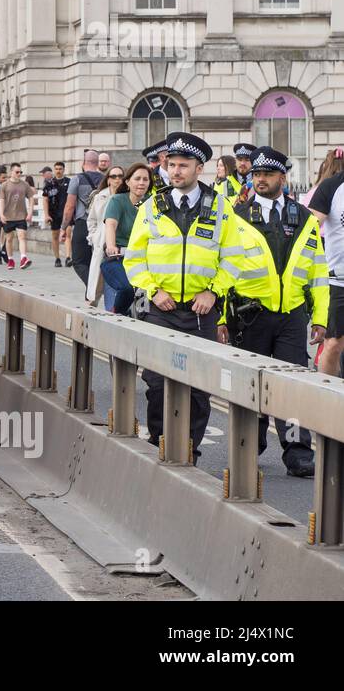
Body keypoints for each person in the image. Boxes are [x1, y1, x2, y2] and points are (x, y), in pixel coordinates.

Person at [123, 132, 243, 464]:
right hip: (161, 309)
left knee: (199, 391)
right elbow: (134, 259)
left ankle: (189, 450)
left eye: (183, 165)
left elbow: (233, 258)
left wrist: (213, 292)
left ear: (199, 168)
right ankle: (159, 444)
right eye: (171, 164)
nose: (176, 171)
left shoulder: (220, 207)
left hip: (200, 311)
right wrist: (153, 291)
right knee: (158, 385)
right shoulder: (152, 206)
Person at [224, 146, 323, 477]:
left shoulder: (304, 217)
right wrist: (223, 319)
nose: (260, 179)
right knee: (252, 385)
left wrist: (321, 318)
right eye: (256, 175)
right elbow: (222, 269)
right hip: (250, 315)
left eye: (267, 174)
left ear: (283, 177)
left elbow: (317, 272)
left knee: (292, 386)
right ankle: (250, 445)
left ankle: (297, 450)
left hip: (293, 315)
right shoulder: (237, 217)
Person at [308, 151, 344, 379]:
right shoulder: (331, 187)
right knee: (332, 345)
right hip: (339, 280)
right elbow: (309, 230)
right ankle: (328, 396)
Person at [100, 163, 151, 313]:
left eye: (145, 179)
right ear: (128, 182)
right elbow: (110, 225)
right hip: (118, 258)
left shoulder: (152, 203)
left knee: (147, 299)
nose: (141, 182)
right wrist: (111, 246)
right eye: (137, 179)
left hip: (144, 259)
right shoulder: (117, 200)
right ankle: (117, 314)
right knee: (126, 289)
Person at [83, 165, 124, 307]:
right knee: (96, 284)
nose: (117, 179)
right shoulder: (99, 197)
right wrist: (94, 237)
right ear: (108, 180)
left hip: (119, 246)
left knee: (114, 283)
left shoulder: (126, 197)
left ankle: (112, 310)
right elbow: (92, 220)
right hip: (101, 244)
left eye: (120, 176)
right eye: (114, 176)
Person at [62, 149, 104, 283]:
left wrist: (64, 227)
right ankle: (92, 290)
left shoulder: (77, 179)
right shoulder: (105, 179)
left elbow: (69, 207)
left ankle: (92, 286)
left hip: (83, 224)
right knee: (96, 259)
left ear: (83, 162)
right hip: (102, 225)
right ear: (97, 163)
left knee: (79, 261)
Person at [0, 163, 34, 270]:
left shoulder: (25, 185)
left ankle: (23, 258)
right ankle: (11, 259)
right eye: (17, 172)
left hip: (21, 215)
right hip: (8, 216)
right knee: (9, 239)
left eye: (20, 172)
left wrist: (30, 212)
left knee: (22, 236)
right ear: (11, 172)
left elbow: (31, 197)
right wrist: (1, 214)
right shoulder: (5, 185)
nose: (19, 174)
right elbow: (1, 200)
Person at [43, 162, 70, 266]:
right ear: (54, 170)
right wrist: (46, 215)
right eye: (57, 169)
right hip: (54, 213)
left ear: (64, 170)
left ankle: (68, 257)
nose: (58, 171)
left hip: (66, 213)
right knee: (55, 236)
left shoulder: (69, 182)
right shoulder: (49, 183)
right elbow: (45, 200)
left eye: (60, 169)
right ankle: (57, 258)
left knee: (68, 233)